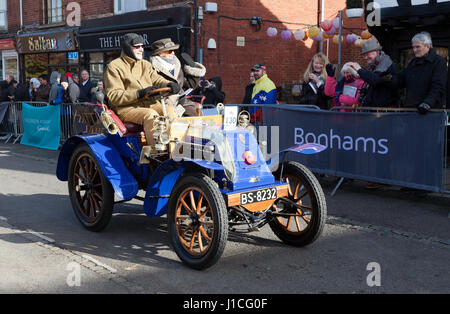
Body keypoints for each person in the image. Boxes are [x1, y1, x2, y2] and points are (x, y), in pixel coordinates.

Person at [104, 33, 179, 149]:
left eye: (142, 46)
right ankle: (156, 153)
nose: (141, 49)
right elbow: (114, 96)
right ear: (128, 48)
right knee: (151, 115)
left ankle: (176, 148)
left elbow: (157, 79)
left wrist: (169, 84)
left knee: (170, 111)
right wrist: (139, 93)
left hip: (150, 104)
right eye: (137, 46)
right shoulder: (114, 67)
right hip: (128, 109)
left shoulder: (145, 64)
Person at [149, 38, 206, 116]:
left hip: (180, 100)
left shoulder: (176, 66)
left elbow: (189, 85)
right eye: (169, 51)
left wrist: (194, 71)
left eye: (173, 50)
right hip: (162, 102)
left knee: (193, 113)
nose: (173, 53)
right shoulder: (151, 67)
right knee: (173, 117)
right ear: (160, 53)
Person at [393, 32, 448, 113]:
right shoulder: (413, 62)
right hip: (410, 109)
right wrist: (390, 78)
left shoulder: (438, 62)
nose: (414, 50)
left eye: (418, 47)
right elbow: (402, 80)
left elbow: (438, 86)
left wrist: (427, 103)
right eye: (413, 47)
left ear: (428, 46)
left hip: (430, 111)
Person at [348, 40, 398, 108]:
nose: (365, 57)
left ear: (377, 52)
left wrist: (358, 69)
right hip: (375, 109)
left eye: (368, 54)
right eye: (364, 55)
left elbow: (374, 79)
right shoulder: (374, 65)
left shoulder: (385, 61)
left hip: (383, 111)